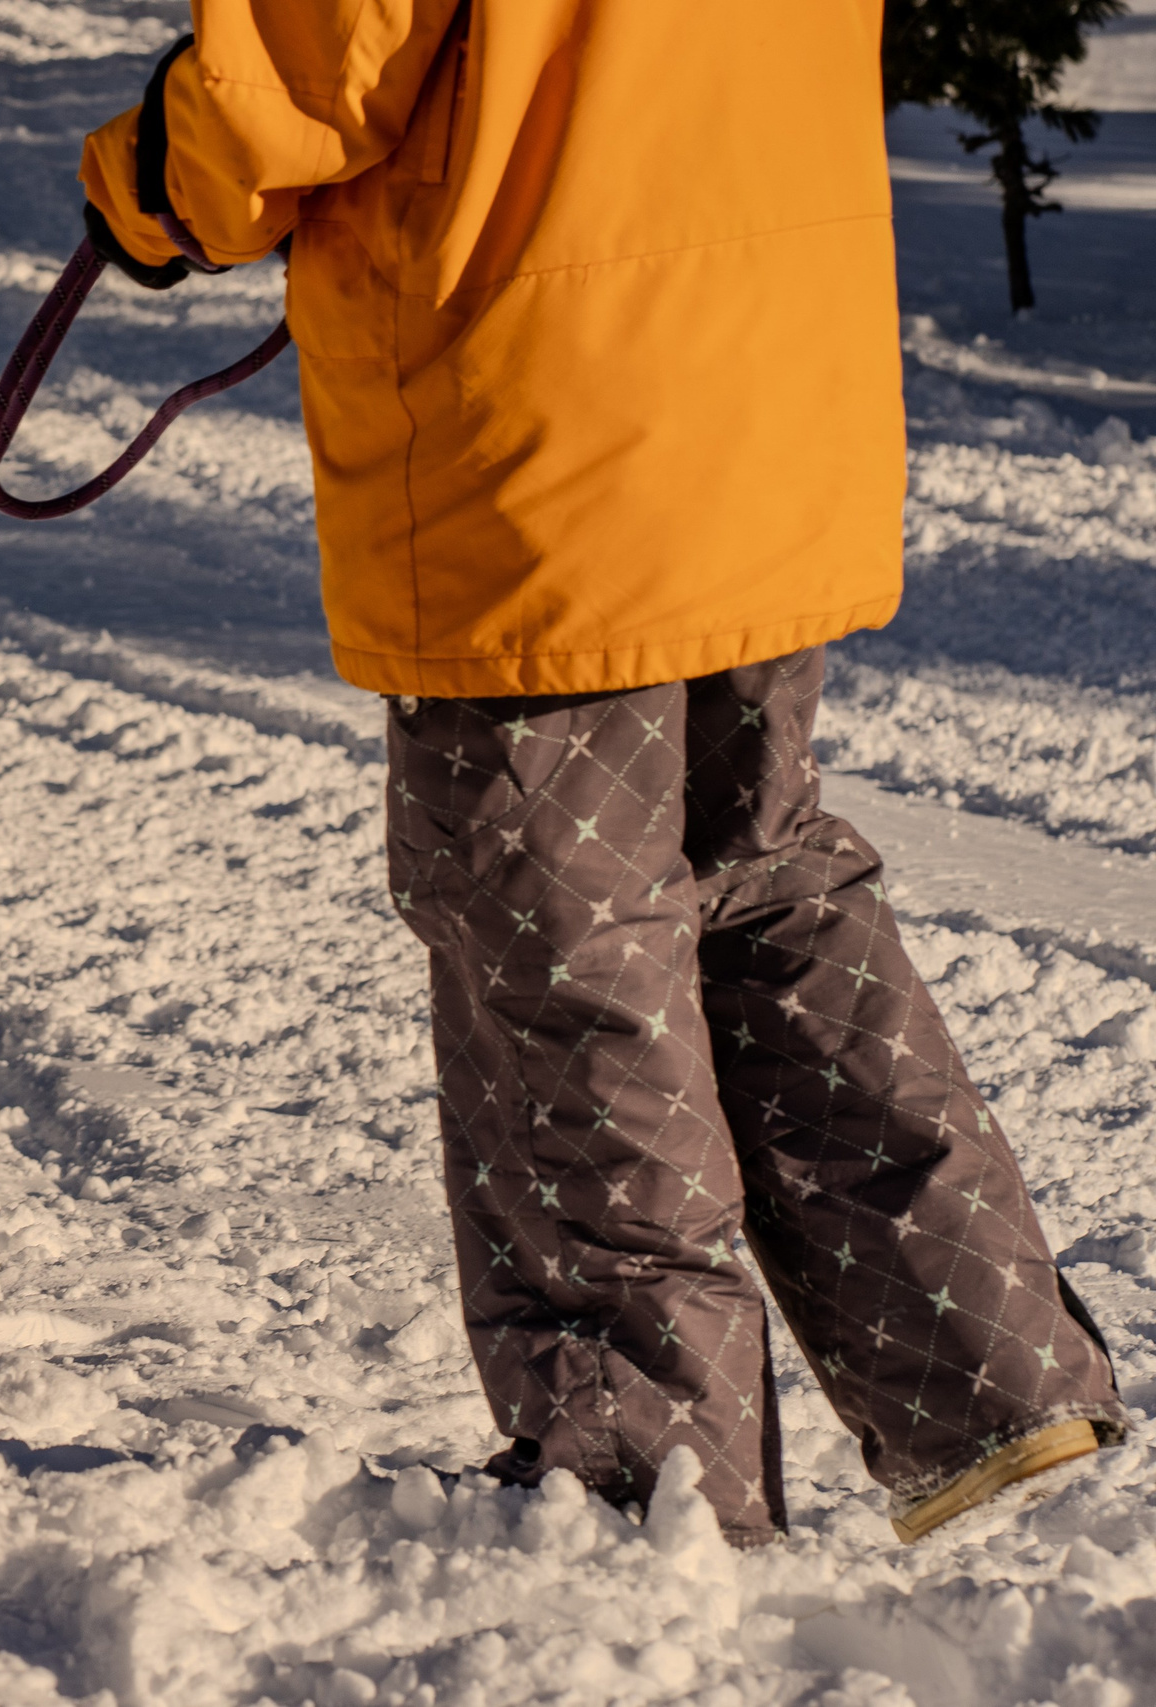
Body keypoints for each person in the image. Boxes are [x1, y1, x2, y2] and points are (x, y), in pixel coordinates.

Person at [78, 0, 1126, 1544]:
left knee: (561, 938)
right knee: (765, 880)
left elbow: (287, 88)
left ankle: (647, 1474)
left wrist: (148, 185)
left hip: (549, 414)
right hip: (769, 373)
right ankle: (986, 1371)